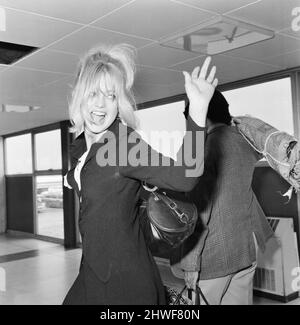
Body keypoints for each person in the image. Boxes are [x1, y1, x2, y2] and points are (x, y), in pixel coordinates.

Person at [62, 43, 218, 305]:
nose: (101, 105)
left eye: (111, 96)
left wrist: (198, 111)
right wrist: (69, 179)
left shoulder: (123, 144)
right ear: (79, 96)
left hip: (125, 281)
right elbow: (88, 173)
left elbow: (184, 176)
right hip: (93, 269)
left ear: (119, 102)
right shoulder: (81, 145)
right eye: (93, 94)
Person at [170, 90, 274, 305]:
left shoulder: (204, 150)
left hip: (212, 258)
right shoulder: (245, 142)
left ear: (200, 116)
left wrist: (190, 264)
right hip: (244, 250)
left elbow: (198, 211)